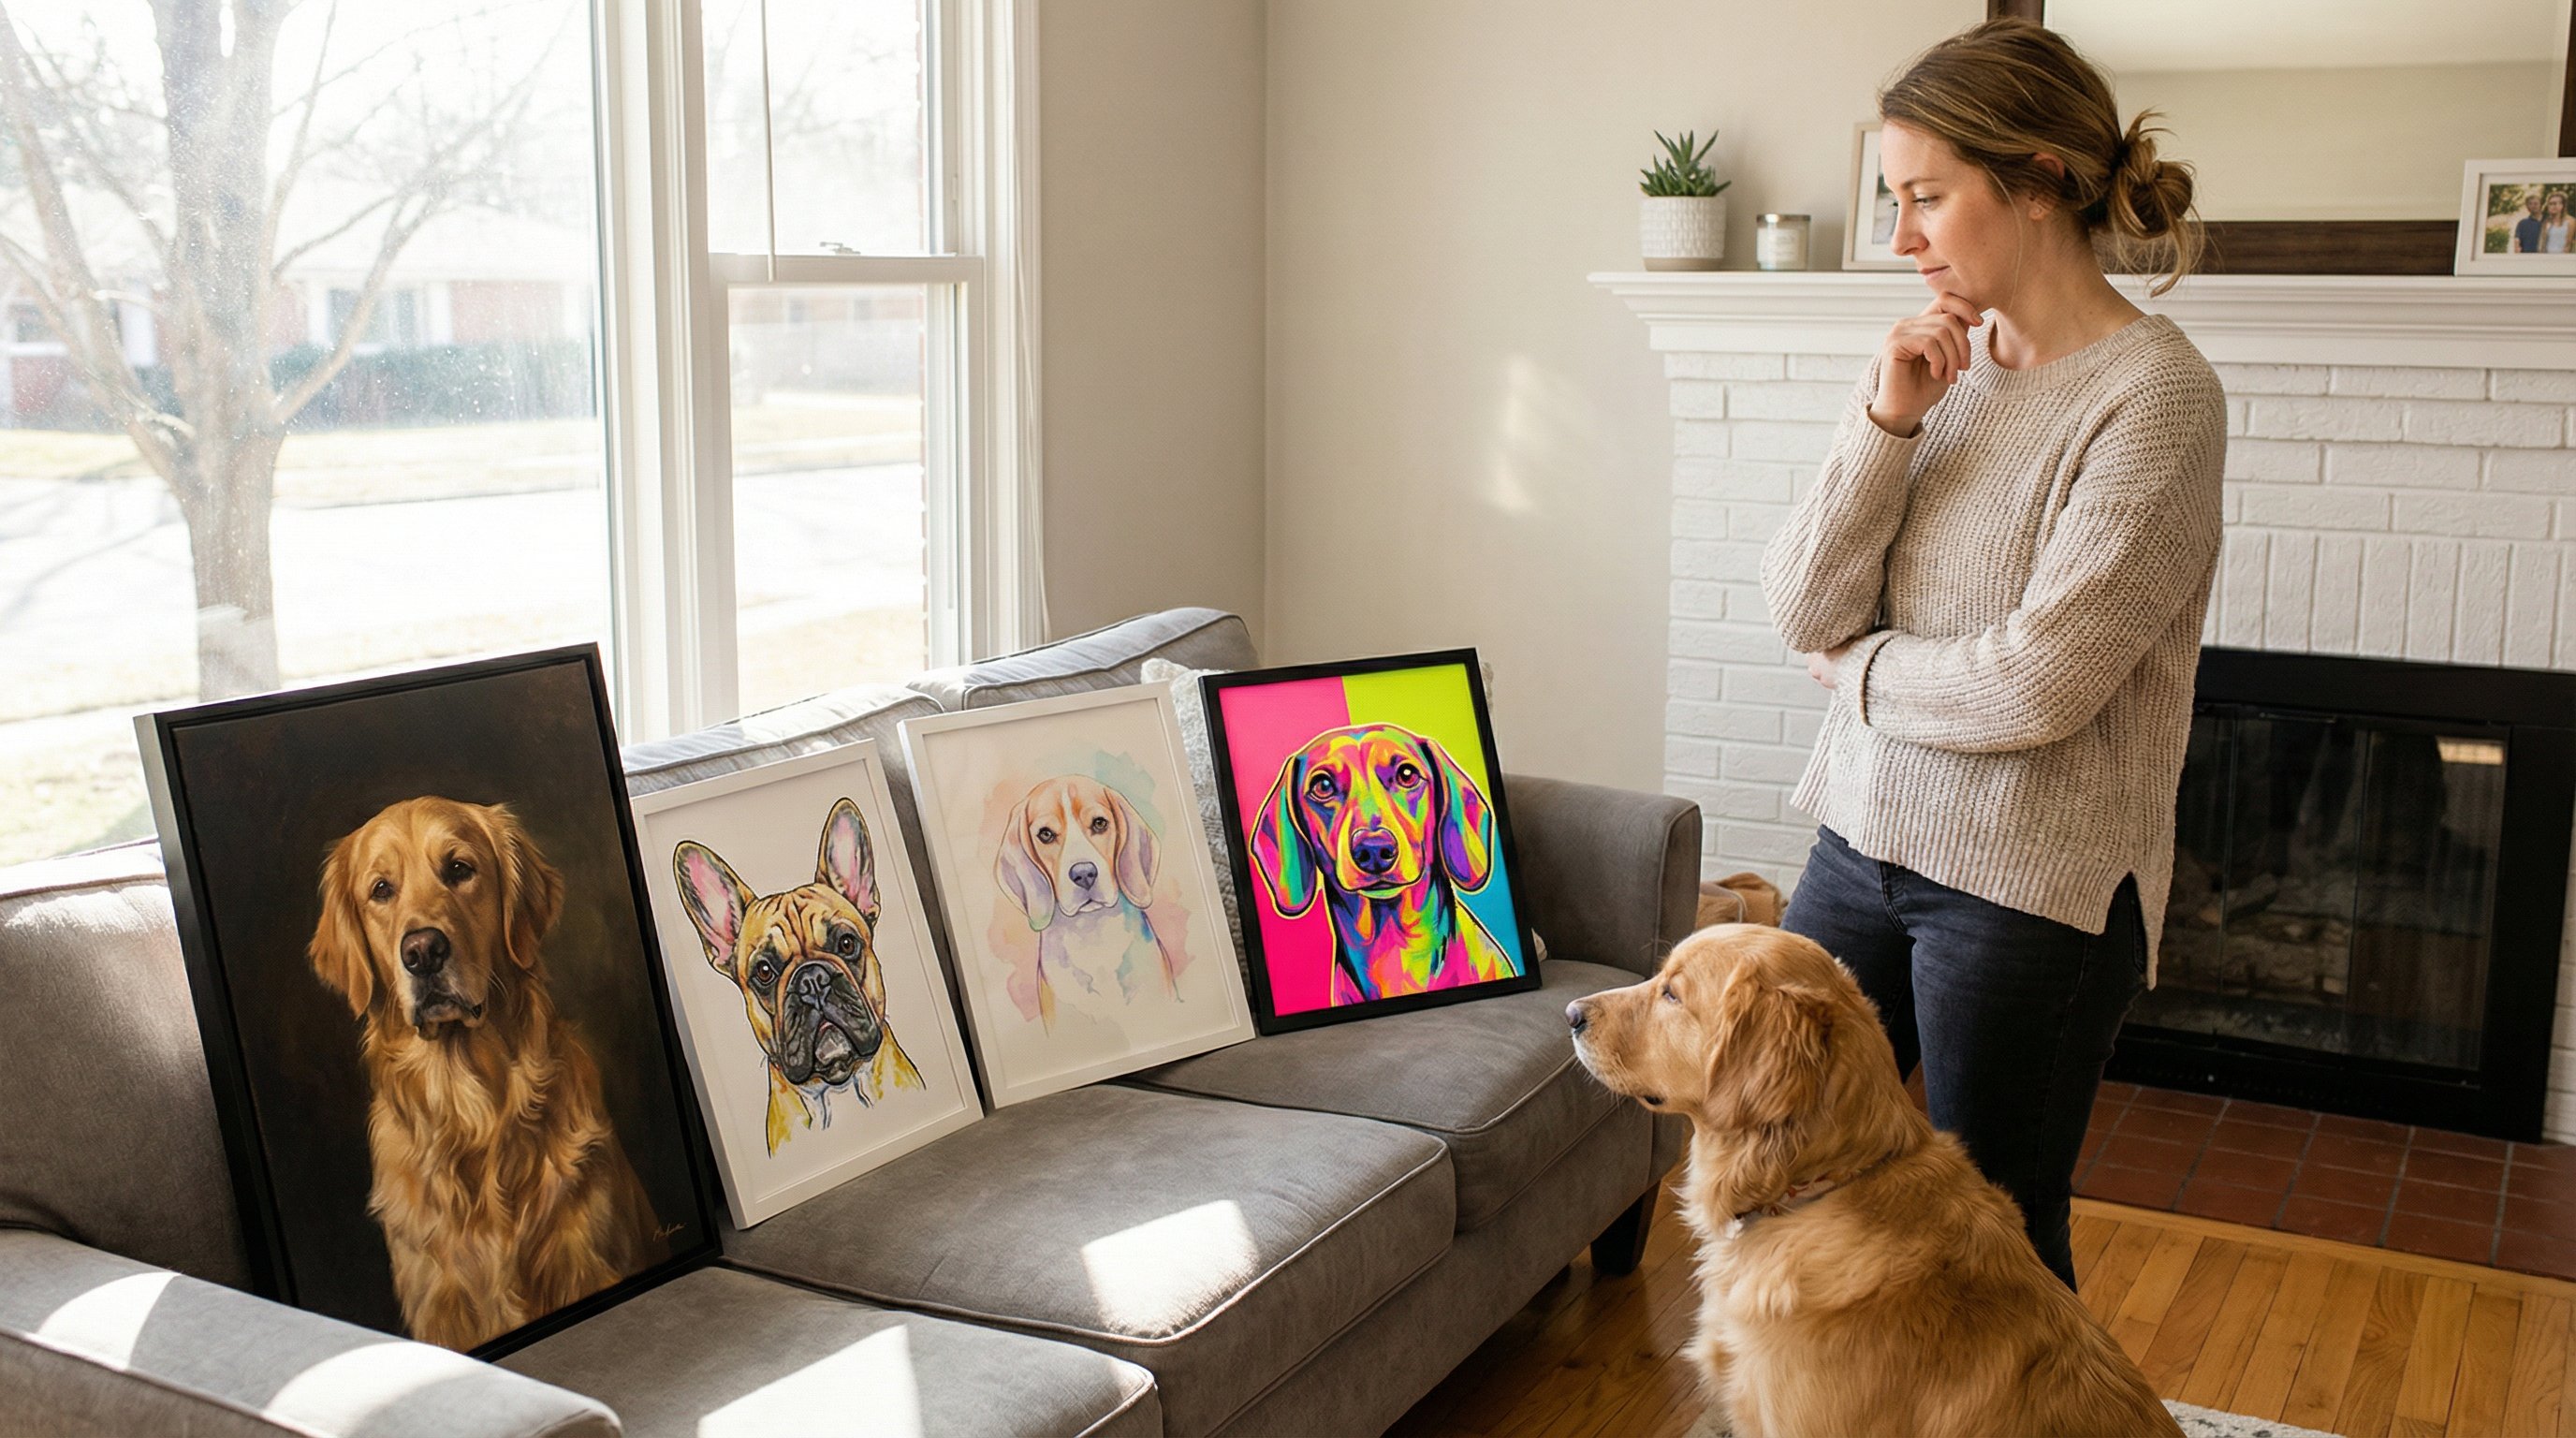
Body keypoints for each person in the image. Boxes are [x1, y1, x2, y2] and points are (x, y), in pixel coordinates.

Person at [1758, 16, 2225, 1291]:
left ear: (2036, 180)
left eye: (1925, 198)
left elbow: (2039, 681)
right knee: (1778, 1171)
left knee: (1992, 1251)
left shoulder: (2156, 400)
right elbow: (1803, 605)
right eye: (1895, 201)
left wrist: (1858, 678)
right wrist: (1885, 421)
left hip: (2032, 892)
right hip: (1859, 841)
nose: (1904, 237)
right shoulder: (1936, 369)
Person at [2512, 189, 2545, 254]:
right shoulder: (2522, 223)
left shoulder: (2548, 221)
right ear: (2527, 206)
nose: (2533, 206)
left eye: (2536, 203)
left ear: (2541, 205)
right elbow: (2517, 242)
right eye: (2530, 204)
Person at [2543, 189, 2573, 254]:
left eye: (2556, 203)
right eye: (2551, 204)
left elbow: (2569, 245)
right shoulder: (2546, 222)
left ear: (2562, 205)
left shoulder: (2571, 221)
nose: (2554, 206)